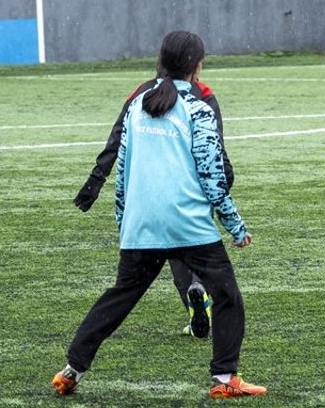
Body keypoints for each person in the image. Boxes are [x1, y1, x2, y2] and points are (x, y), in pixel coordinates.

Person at [51, 31, 265, 399]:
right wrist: (235, 226)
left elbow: (124, 170)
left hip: (142, 223)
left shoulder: (138, 106)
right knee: (228, 297)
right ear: (197, 66)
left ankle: (72, 370)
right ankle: (225, 379)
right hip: (188, 224)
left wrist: (124, 220)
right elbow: (213, 177)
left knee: (119, 297)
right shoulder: (198, 108)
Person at [74, 62, 235, 337]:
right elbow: (214, 145)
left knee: (157, 259)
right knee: (196, 246)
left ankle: (77, 359)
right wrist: (226, 178)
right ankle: (200, 290)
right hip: (191, 187)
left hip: (150, 190)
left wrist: (95, 180)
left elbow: (117, 139)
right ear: (194, 65)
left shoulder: (142, 92)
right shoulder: (203, 93)